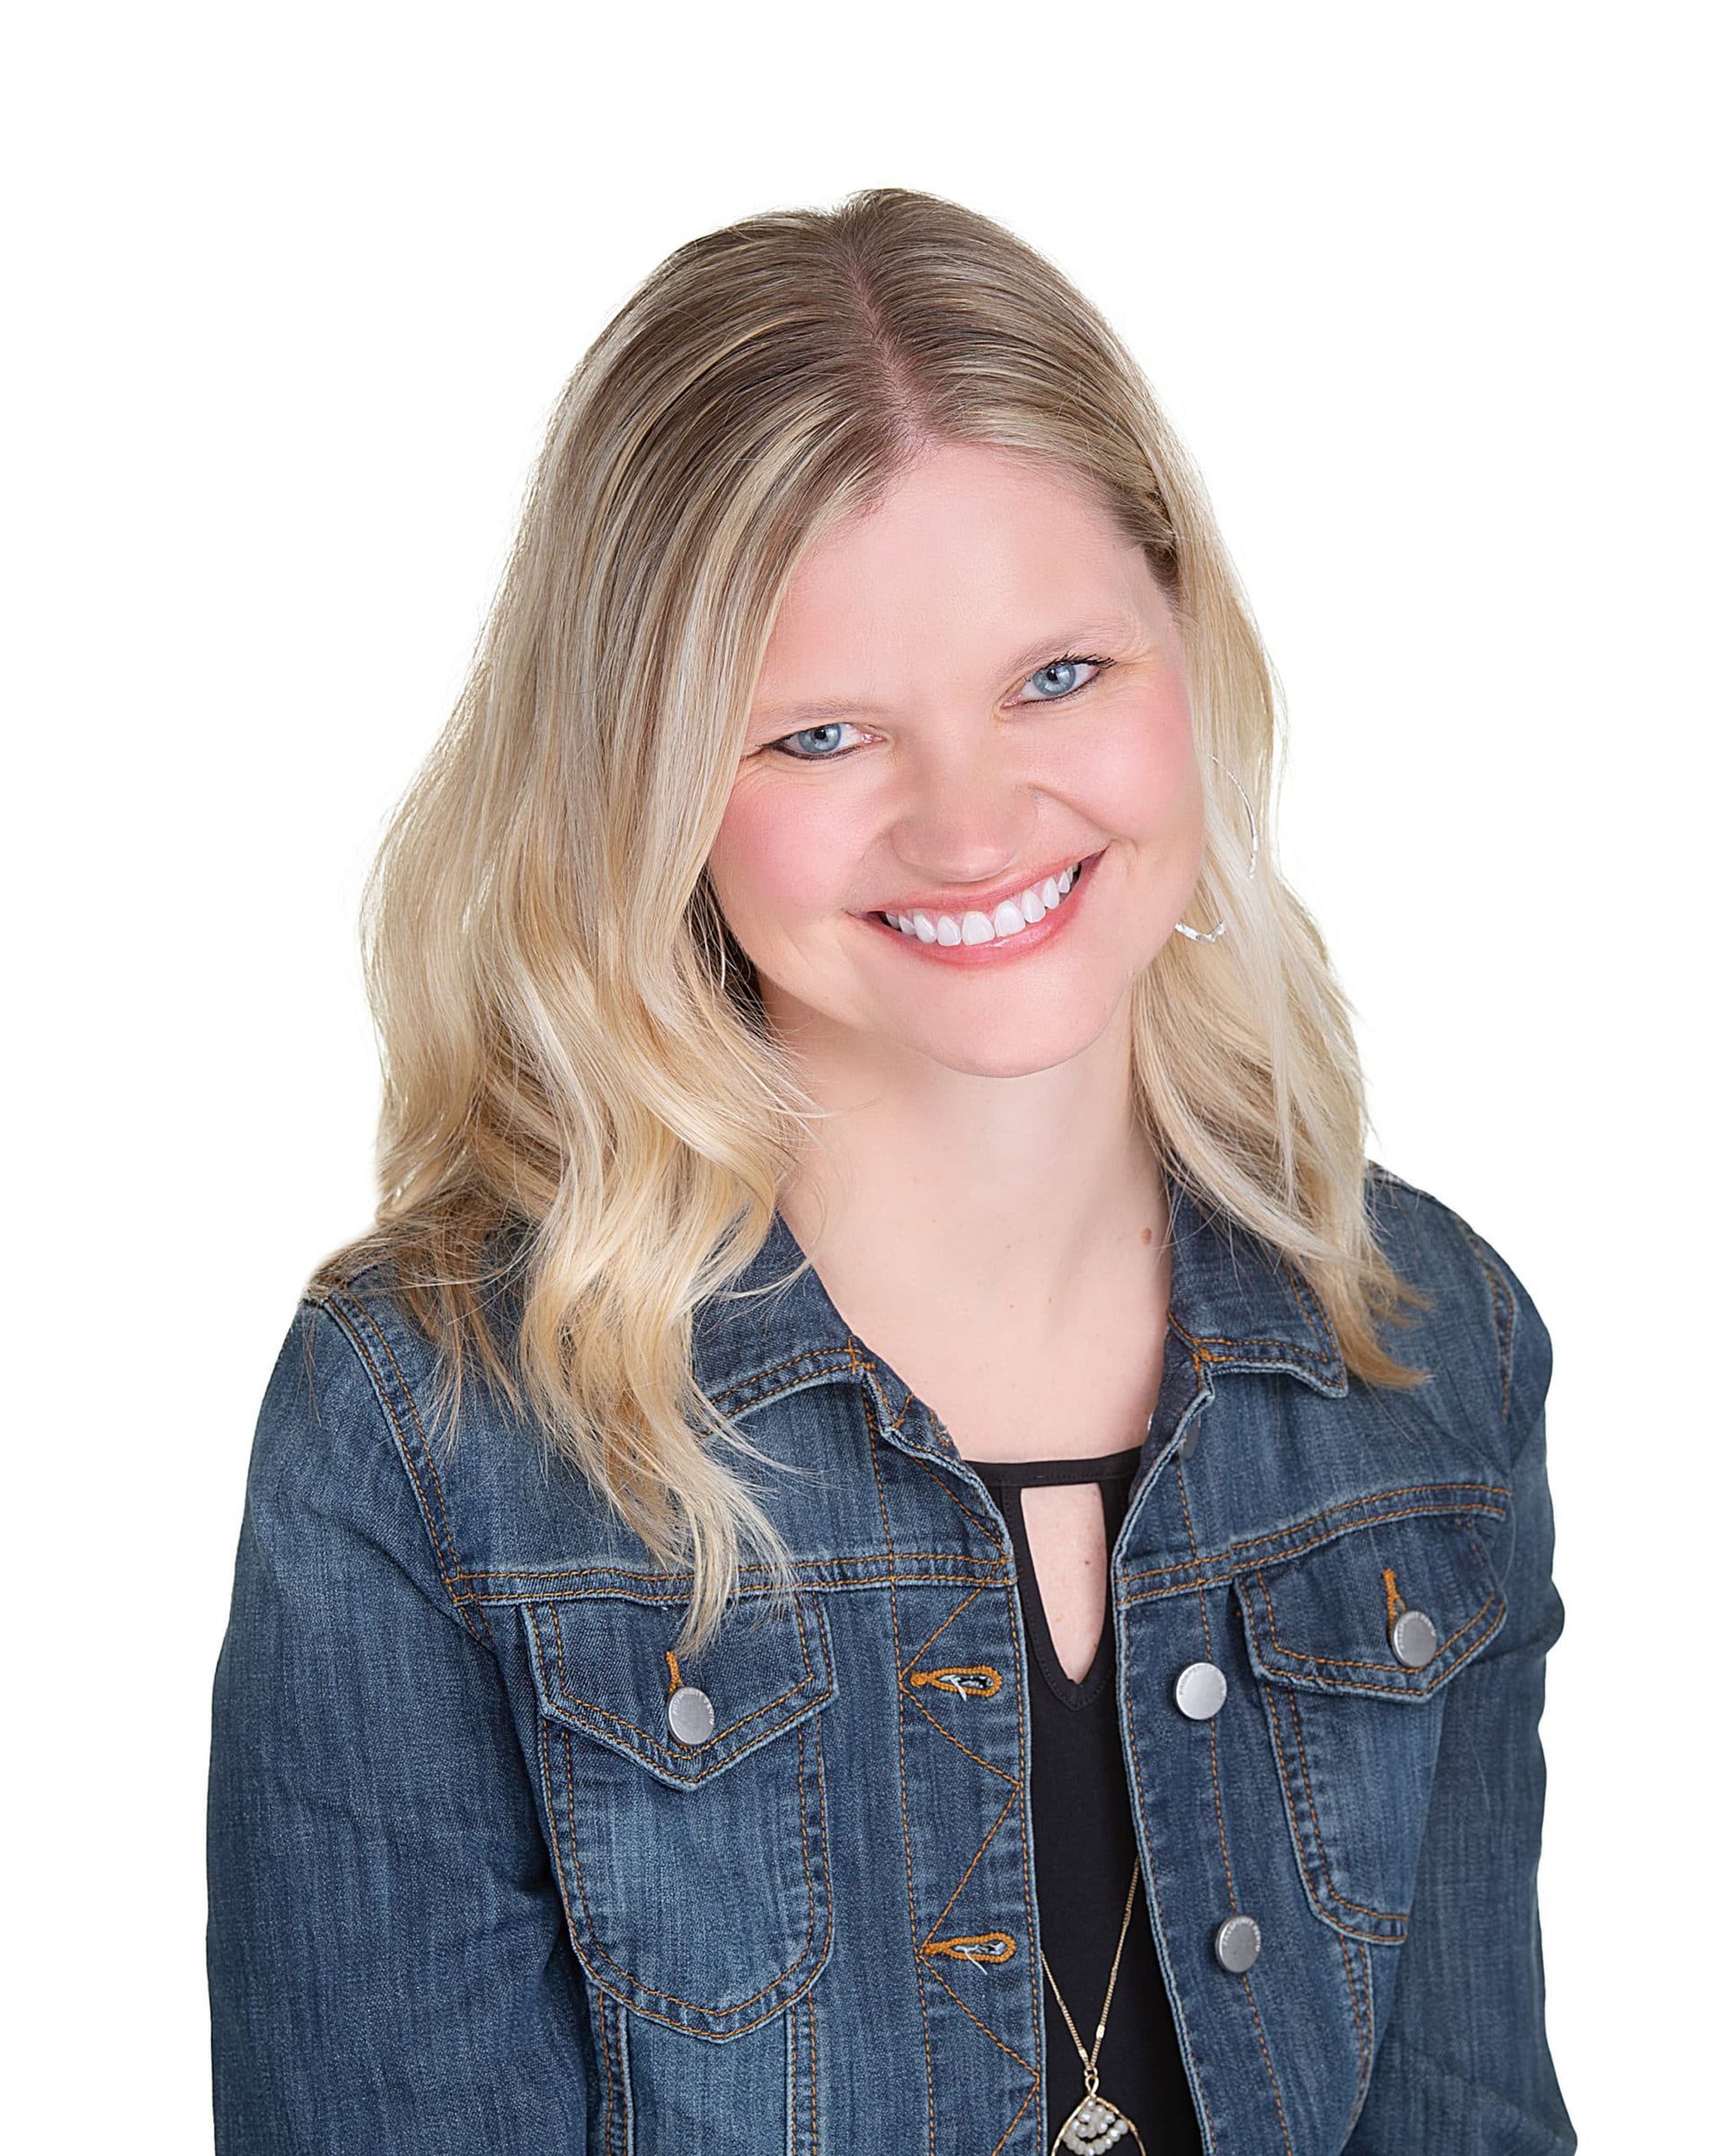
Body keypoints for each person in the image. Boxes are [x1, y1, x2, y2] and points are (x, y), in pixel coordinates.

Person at [206, 186, 1577, 2155]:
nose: (970, 821)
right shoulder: (430, 1426)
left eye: (1057, 679)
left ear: (1186, 650)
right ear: (650, 788)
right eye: (824, 733)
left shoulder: (1429, 1352)